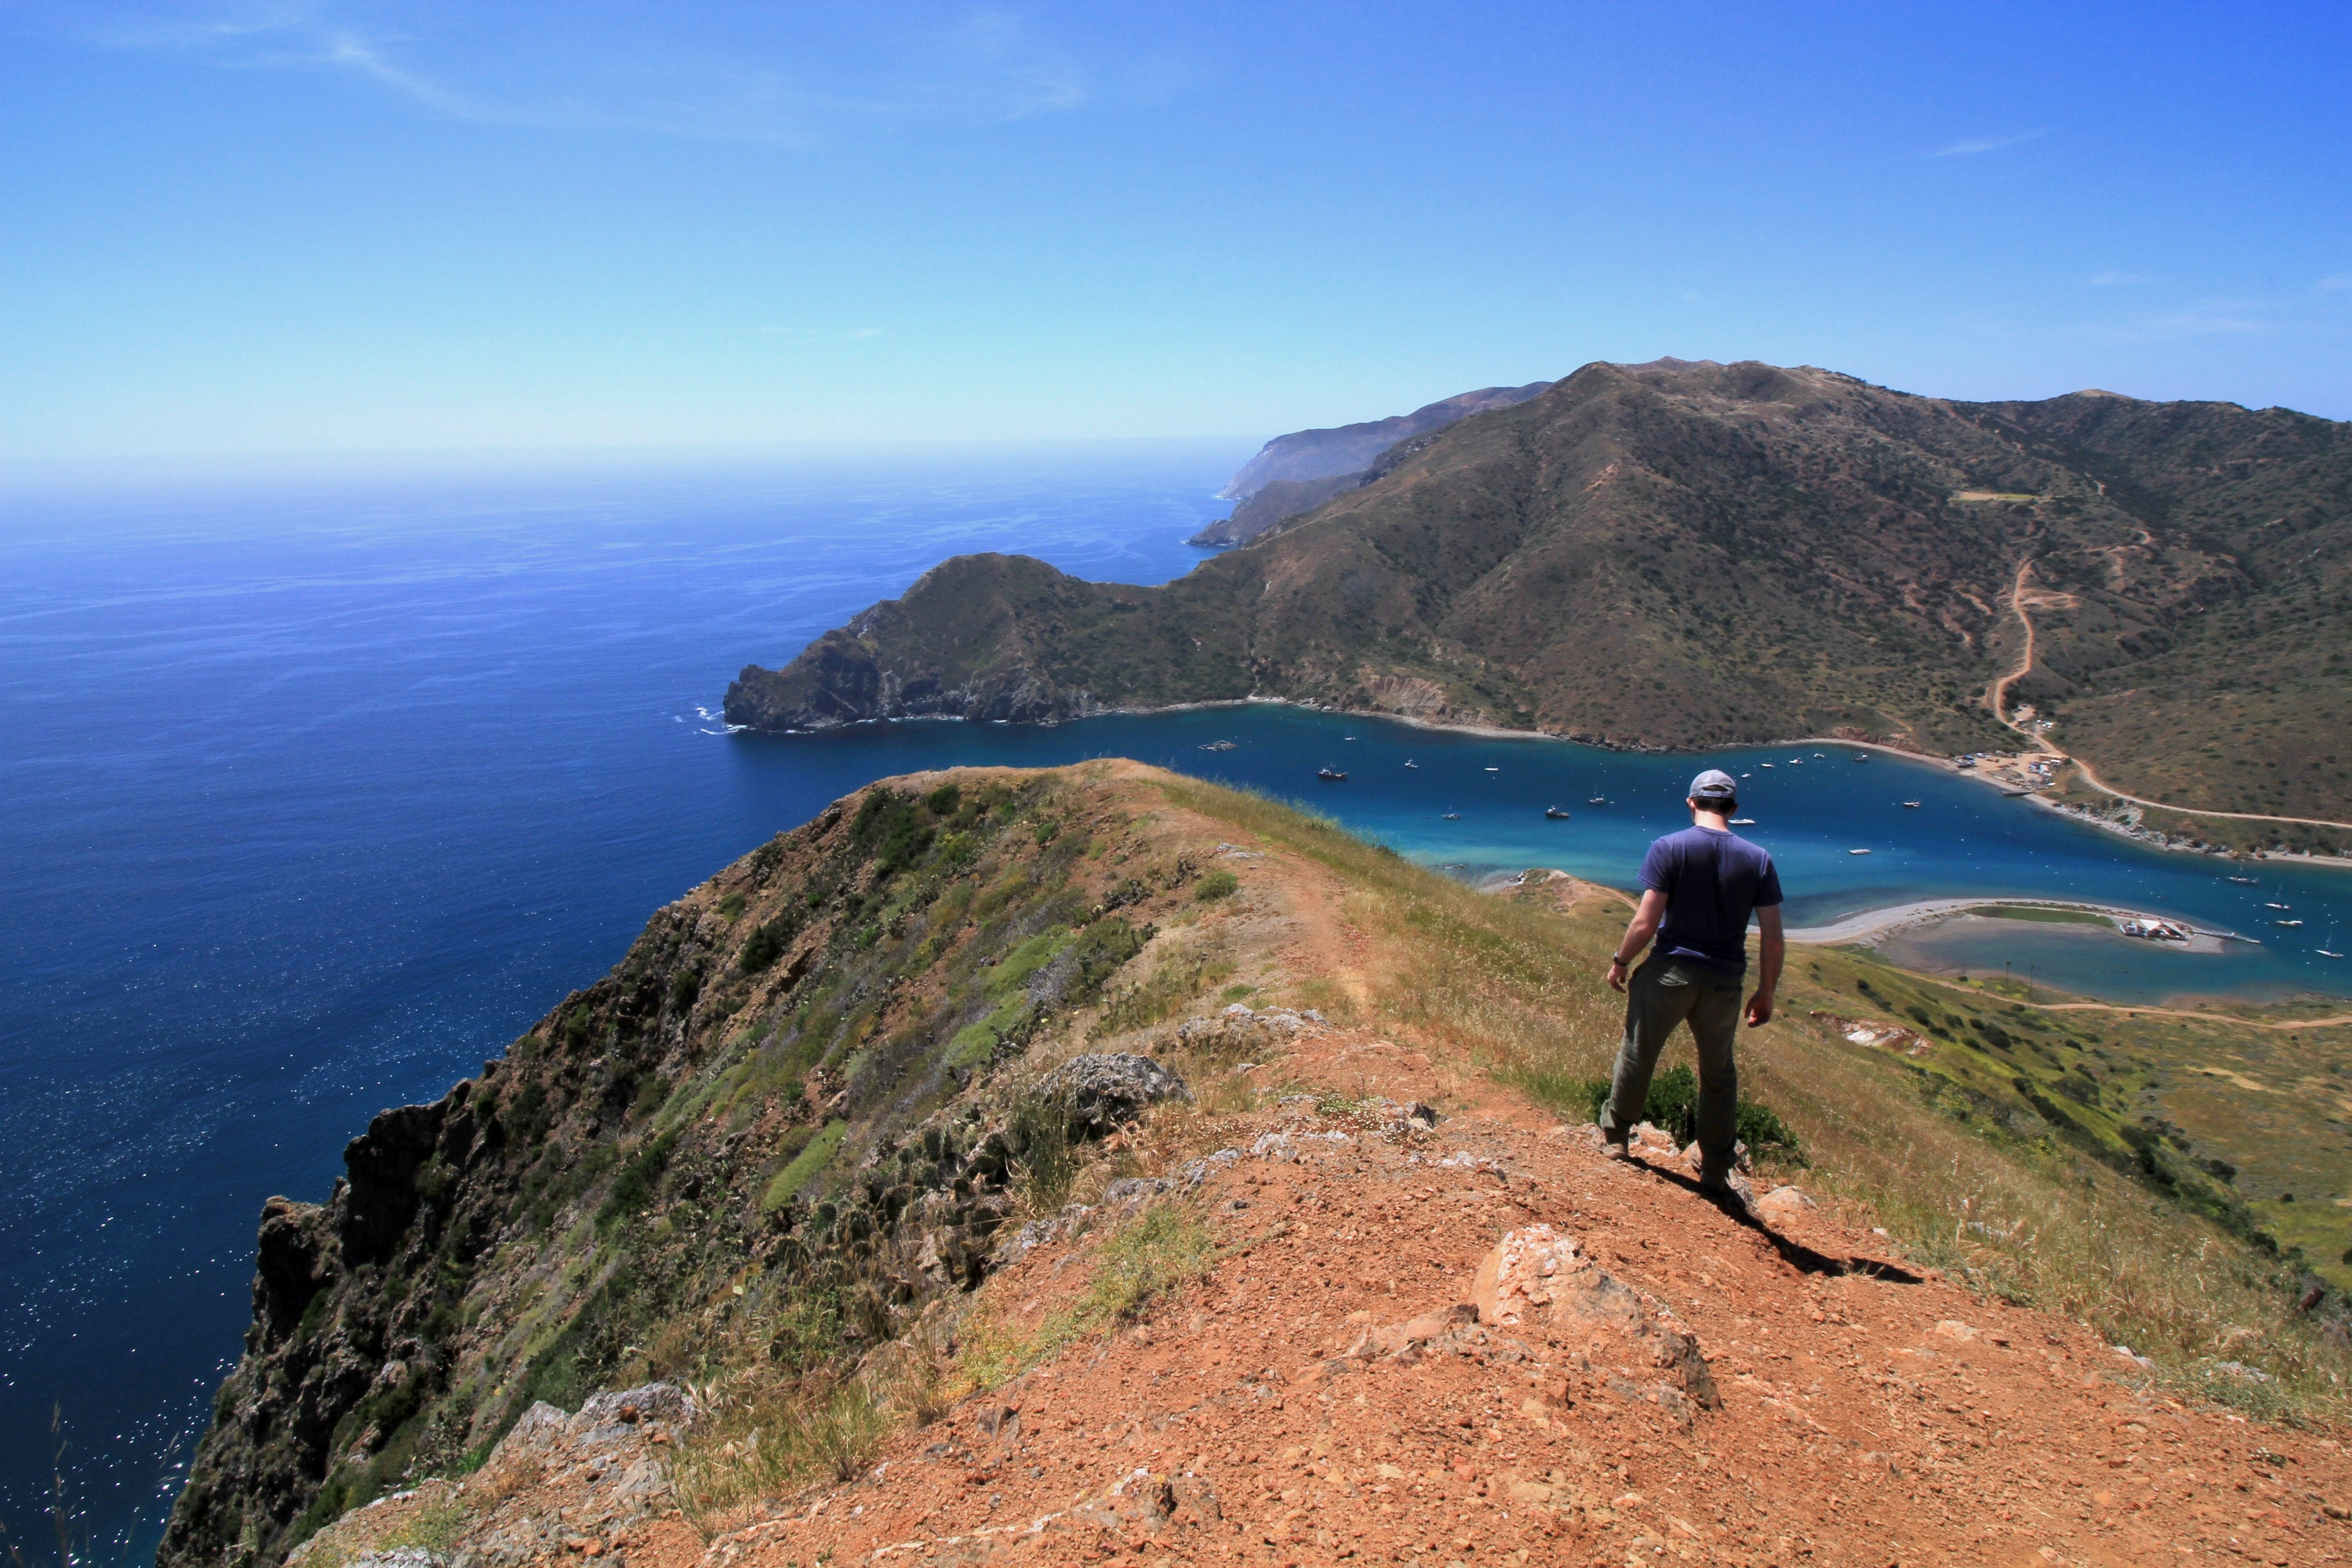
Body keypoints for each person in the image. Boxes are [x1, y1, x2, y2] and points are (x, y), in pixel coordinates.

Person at [1600, 768, 1784, 1196]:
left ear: (1691, 802)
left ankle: (1616, 1139)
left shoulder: (1670, 848)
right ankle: (1715, 1171)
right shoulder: (1759, 860)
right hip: (1724, 979)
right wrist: (1766, 991)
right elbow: (1773, 937)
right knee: (1718, 1072)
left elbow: (1646, 923)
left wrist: (1621, 962)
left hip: (1670, 971)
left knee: (1639, 1052)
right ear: (1733, 809)